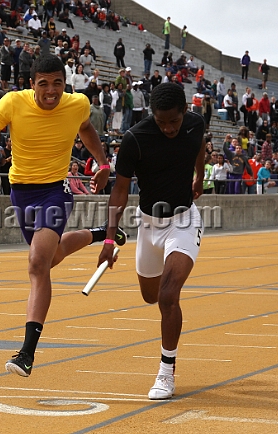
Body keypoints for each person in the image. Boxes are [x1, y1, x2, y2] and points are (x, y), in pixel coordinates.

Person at [0, 55, 124, 378]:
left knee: (37, 264)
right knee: (53, 256)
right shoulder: (12, 103)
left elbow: (87, 130)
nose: (51, 91)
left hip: (55, 190)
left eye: (57, 84)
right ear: (32, 84)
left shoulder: (77, 103)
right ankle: (98, 234)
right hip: (21, 192)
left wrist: (103, 164)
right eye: (43, 84)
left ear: (66, 84)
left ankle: (27, 353)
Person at [98, 82, 206, 400]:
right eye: (161, 122)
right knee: (151, 296)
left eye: (173, 121)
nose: (168, 128)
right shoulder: (136, 138)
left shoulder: (195, 124)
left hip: (184, 220)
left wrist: (199, 176)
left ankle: (165, 371)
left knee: (168, 296)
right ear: (152, 115)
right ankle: (167, 336)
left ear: (184, 113)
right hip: (149, 224)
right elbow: (119, 190)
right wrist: (108, 240)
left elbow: (199, 145)